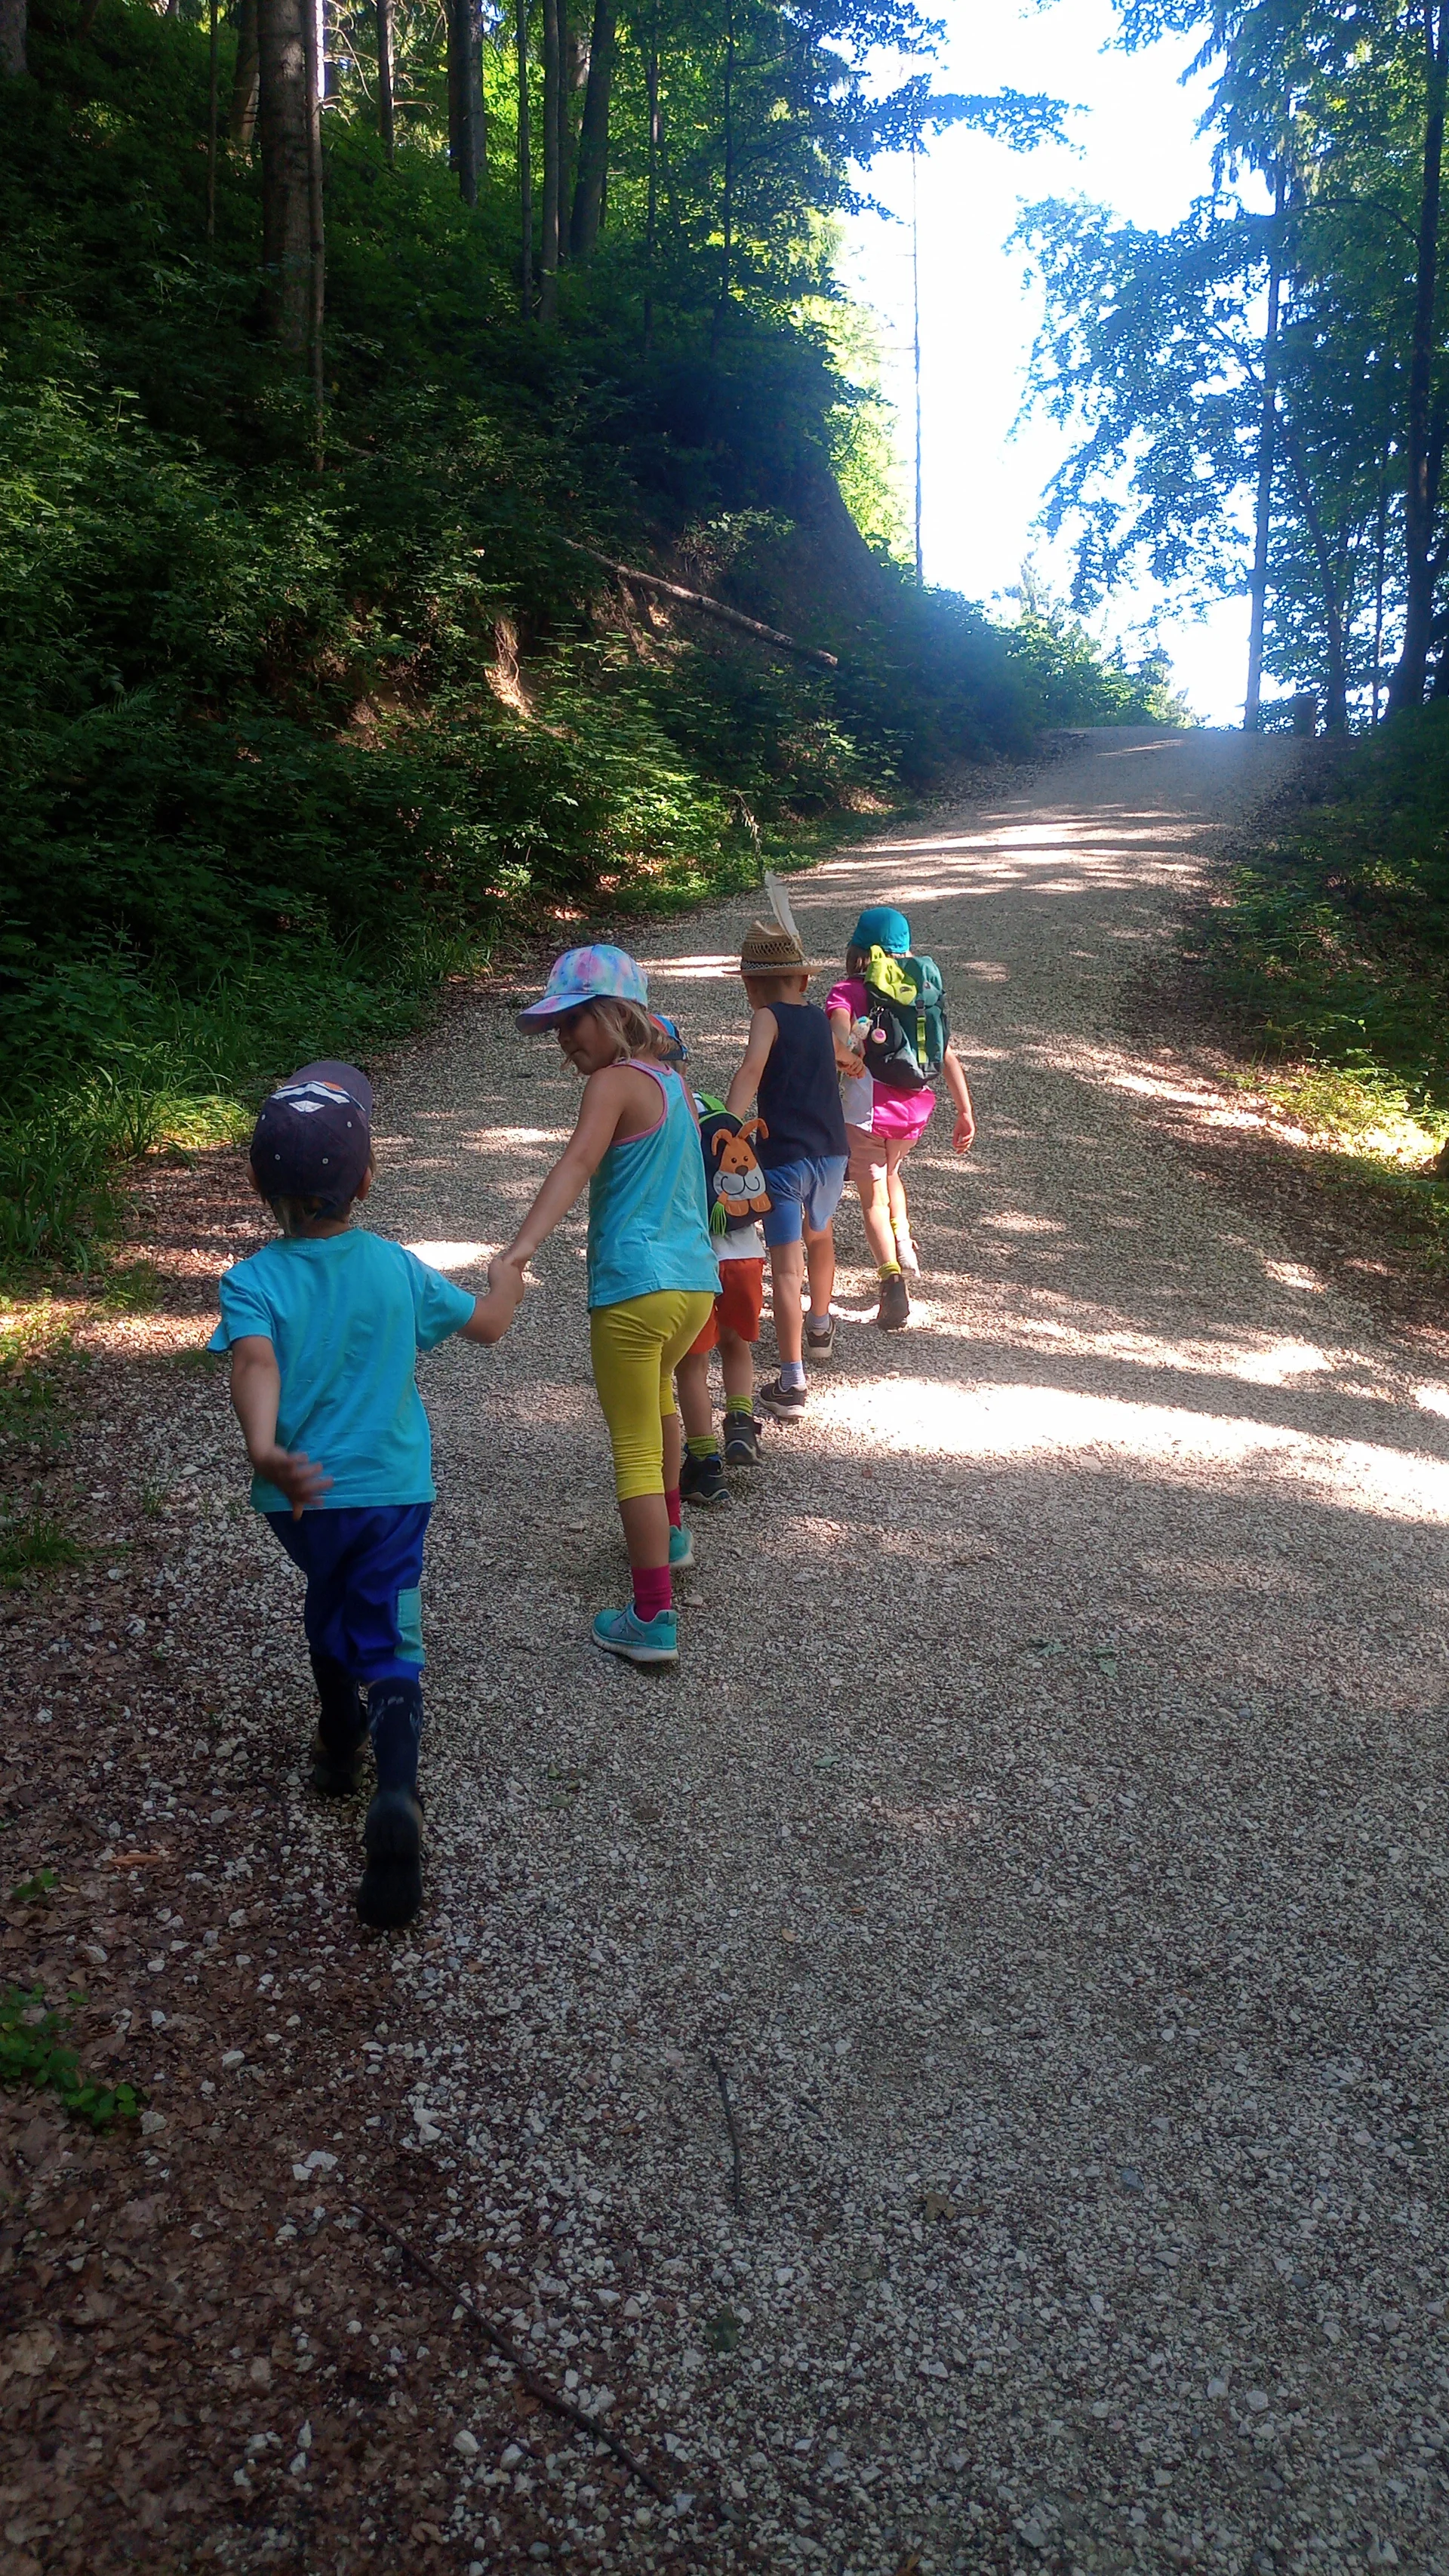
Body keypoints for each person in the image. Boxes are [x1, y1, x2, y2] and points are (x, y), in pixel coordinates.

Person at [209, 1060, 523, 1931]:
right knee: (390, 1629)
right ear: (368, 1179)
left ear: (257, 1182)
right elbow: (490, 1326)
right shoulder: (395, 1268)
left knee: (329, 1592)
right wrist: (509, 1281)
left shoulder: (251, 1282)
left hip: (301, 1504)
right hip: (392, 1492)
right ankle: (393, 1784)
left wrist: (266, 1447)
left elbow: (255, 1361)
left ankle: (336, 1738)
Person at [500, 949, 718, 1668]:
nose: (565, 1037)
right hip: (692, 1287)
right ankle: (674, 1533)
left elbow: (575, 1164)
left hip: (632, 1289)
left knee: (631, 1448)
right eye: (559, 1025)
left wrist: (520, 1249)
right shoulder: (678, 1088)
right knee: (659, 1400)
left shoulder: (614, 1083)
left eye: (574, 1018)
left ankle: (652, 1614)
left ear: (619, 1015)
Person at [826, 905, 975, 1330]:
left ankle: (891, 1280)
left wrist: (848, 1057)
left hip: (867, 1111)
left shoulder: (848, 991)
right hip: (914, 1112)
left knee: (872, 1193)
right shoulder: (919, 992)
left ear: (856, 949)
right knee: (892, 1170)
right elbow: (946, 1055)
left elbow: (838, 1036)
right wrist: (964, 1111)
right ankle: (903, 1235)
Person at [724, 919, 848, 1422]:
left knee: (784, 1267)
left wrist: (729, 1130)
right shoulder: (820, 1018)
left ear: (750, 984)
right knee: (820, 1236)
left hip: (783, 1162)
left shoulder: (766, 1018)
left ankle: (792, 1379)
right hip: (832, 1154)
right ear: (801, 979)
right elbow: (839, 1057)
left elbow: (751, 1071)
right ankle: (820, 1324)